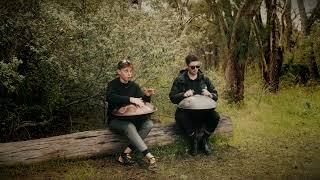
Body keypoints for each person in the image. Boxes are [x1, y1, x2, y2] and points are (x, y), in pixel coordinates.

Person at [106, 59, 156, 167]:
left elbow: (142, 104)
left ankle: (125, 153)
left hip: (133, 119)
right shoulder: (112, 84)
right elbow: (110, 98)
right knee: (129, 126)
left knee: (149, 124)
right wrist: (130, 99)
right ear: (119, 72)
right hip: (116, 121)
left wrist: (146, 96)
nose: (129, 74)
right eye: (126, 71)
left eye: (130, 71)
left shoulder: (134, 86)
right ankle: (148, 155)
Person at [169, 54, 220, 156]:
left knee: (215, 116)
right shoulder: (180, 79)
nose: (195, 69)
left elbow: (216, 95)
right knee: (180, 116)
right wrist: (183, 94)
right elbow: (172, 97)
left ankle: (204, 140)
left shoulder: (204, 79)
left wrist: (210, 94)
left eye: (198, 66)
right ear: (187, 66)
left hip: (204, 112)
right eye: (192, 67)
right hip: (186, 112)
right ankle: (194, 141)